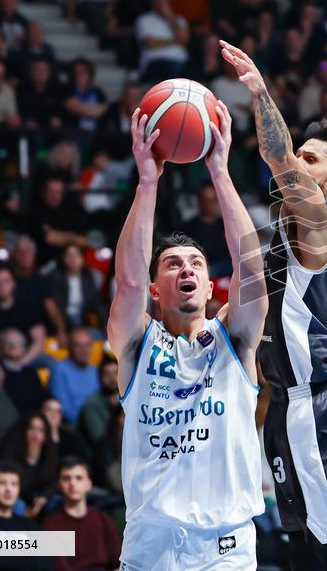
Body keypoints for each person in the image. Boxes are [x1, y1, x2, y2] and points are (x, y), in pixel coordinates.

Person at [220, 39, 327, 570]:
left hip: (320, 406)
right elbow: (251, 306)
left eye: (312, 160)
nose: (297, 164)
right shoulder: (284, 238)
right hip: (285, 406)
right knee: (303, 554)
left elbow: (277, 156)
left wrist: (260, 92)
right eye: (300, 155)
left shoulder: (322, 221)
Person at [107, 101, 268, 568]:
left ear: (211, 285)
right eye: (173, 264)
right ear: (157, 289)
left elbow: (251, 272)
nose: (187, 269)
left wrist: (220, 171)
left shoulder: (234, 338)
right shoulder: (137, 345)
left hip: (225, 545)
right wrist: (147, 182)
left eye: (196, 263)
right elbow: (129, 281)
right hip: (150, 543)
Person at [41, 457, 121, 571]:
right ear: (59, 485)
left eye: (79, 478)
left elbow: (118, 564)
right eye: (66, 478)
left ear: (89, 484)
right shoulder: (51, 526)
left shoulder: (104, 521)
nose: (72, 483)